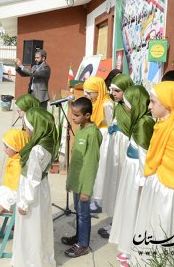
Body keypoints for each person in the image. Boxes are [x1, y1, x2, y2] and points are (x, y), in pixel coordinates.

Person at [132, 81, 174, 255]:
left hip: (170, 191)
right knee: (151, 227)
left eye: (153, 102)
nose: (149, 106)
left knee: (164, 230)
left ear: (169, 104)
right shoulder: (162, 125)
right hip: (157, 185)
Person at [108, 86, 154, 266]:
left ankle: (131, 249)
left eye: (128, 103)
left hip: (137, 173)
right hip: (131, 169)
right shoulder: (139, 119)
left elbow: (143, 153)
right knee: (128, 207)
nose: (126, 107)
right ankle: (127, 246)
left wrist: (142, 181)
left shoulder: (143, 123)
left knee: (133, 208)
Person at [12, 107, 57, 267]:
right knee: (40, 227)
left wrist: (24, 202)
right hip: (42, 189)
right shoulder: (48, 142)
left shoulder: (36, 151)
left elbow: (32, 178)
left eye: (28, 126)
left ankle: (29, 261)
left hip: (31, 194)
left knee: (30, 229)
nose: (25, 129)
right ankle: (41, 258)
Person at [61, 97, 102, 258]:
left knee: (84, 215)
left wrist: (86, 189)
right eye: (72, 114)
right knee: (78, 212)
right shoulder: (80, 130)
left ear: (87, 115)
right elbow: (76, 160)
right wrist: (69, 181)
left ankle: (83, 245)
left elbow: (91, 164)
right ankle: (78, 238)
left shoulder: (92, 134)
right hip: (76, 181)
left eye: (76, 115)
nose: (73, 118)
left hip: (84, 183)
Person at [98, 74, 133, 239]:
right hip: (115, 150)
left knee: (122, 186)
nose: (113, 93)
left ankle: (122, 224)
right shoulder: (117, 106)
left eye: (117, 90)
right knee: (114, 185)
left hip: (125, 151)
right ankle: (115, 220)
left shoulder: (133, 108)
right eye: (111, 89)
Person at [83, 76, 114, 213]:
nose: (87, 96)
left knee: (102, 169)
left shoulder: (107, 104)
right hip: (97, 136)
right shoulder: (96, 102)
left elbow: (111, 124)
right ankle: (96, 199)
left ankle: (100, 201)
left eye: (89, 93)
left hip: (105, 139)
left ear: (98, 90)